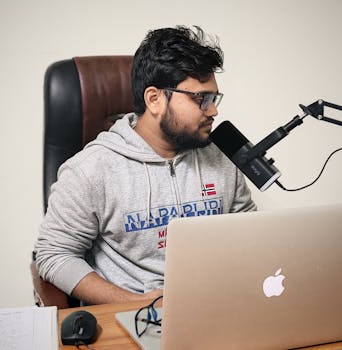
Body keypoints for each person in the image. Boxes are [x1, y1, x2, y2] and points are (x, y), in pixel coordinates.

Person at [35, 25, 256, 305]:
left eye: (213, 98)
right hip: (136, 316)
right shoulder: (92, 170)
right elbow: (54, 255)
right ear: (154, 100)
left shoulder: (220, 156)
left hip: (219, 306)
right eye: (201, 99)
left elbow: (250, 234)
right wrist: (132, 302)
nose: (213, 111)